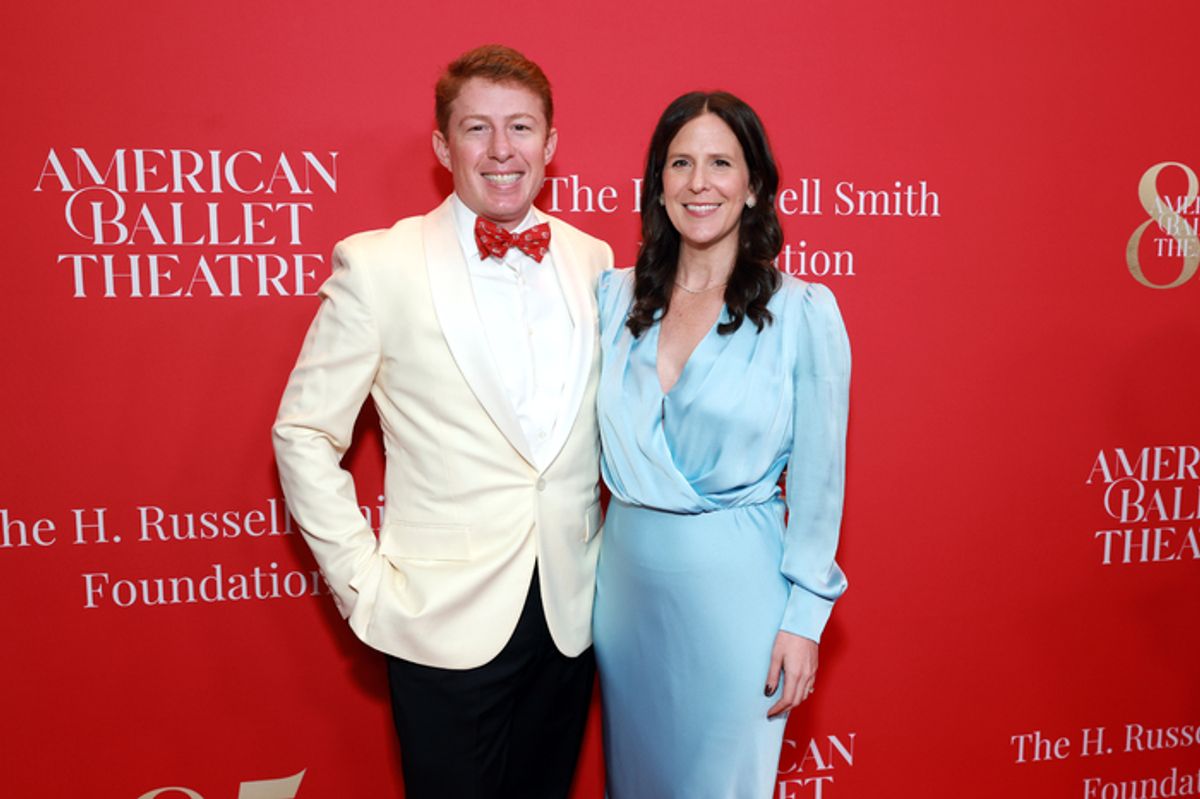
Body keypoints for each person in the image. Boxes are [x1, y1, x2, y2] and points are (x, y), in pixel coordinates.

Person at [272, 45, 612, 799]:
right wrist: (363, 584)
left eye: (521, 128)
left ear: (550, 146)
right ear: (441, 144)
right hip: (441, 617)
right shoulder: (379, 265)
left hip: (572, 614)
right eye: (477, 128)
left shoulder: (594, 261)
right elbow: (302, 432)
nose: (501, 150)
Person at [592, 91, 851, 798]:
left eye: (720, 163)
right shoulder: (609, 300)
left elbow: (822, 484)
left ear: (755, 184)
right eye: (680, 163)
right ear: (658, 183)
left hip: (738, 599)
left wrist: (804, 621)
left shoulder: (803, 313)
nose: (698, 182)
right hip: (623, 597)